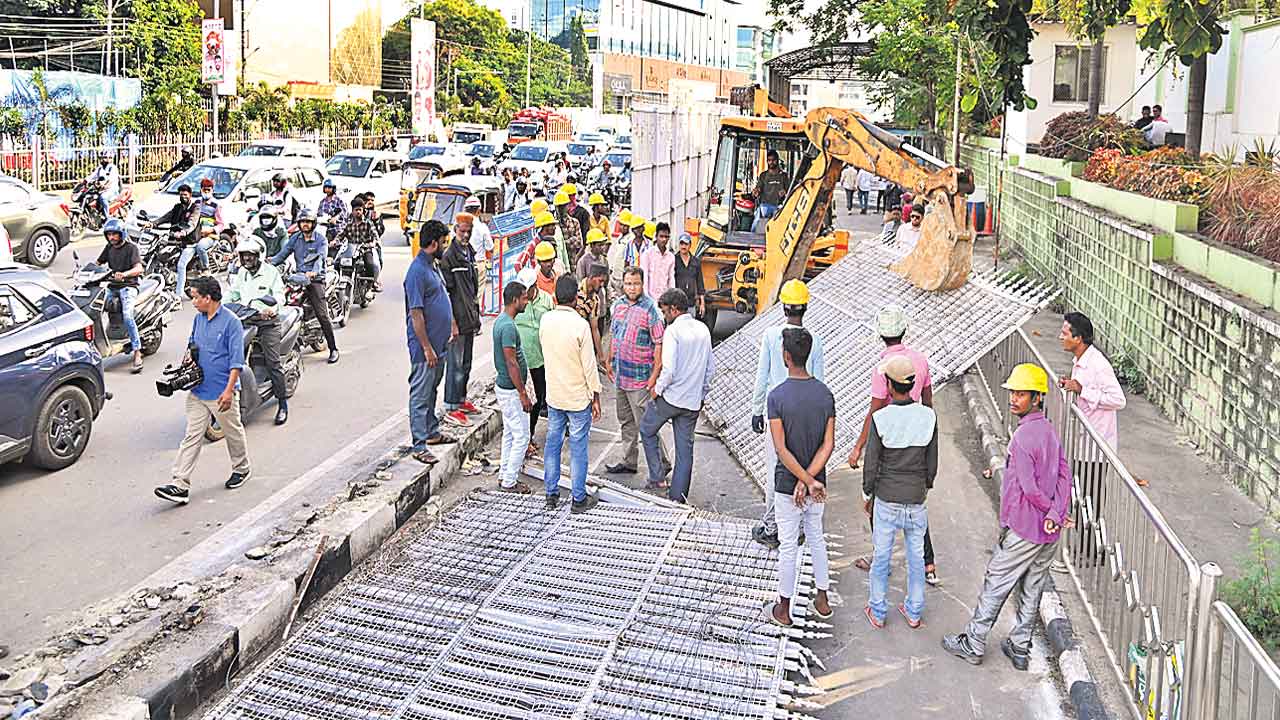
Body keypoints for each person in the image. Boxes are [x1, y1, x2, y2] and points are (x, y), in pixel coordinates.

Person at [942, 363, 1072, 670]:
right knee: (1033, 585)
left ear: (1037, 398)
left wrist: (1051, 511)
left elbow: (1028, 488)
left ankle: (974, 642)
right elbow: (1065, 473)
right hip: (1048, 531)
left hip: (1025, 527)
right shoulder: (1049, 432)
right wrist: (1057, 511)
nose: (1014, 399)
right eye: (1013, 392)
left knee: (997, 582)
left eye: (1021, 394)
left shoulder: (1023, 438)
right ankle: (1019, 646)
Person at [848, 305, 939, 582]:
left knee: (879, 501)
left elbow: (876, 410)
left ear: (880, 334)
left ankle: (880, 559)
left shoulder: (883, 368)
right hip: (917, 436)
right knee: (915, 502)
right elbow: (928, 400)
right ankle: (928, 565)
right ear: (904, 330)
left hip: (891, 440)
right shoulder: (920, 360)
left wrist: (858, 446)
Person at [153, 276, 252, 505]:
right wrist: (187, 358)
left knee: (233, 432)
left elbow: (236, 362)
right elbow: (192, 344)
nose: (193, 301)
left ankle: (242, 468)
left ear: (209, 298)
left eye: (196, 297)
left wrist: (228, 392)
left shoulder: (231, 323)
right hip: (198, 390)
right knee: (192, 436)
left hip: (221, 392)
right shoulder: (198, 319)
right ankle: (180, 484)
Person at [765, 327, 835, 627]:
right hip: (817, 484)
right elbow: (828, 444)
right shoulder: (825, 394)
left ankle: (784, 608)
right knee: (816, 537)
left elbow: (781, 448)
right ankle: (822, 598)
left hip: (787, 485)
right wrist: (811, 480)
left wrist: (802, 481)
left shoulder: (777, 397)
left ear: (785, 356)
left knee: (789, 545)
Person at [862, 355, 938, 629]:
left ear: (890, 387)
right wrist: (924, 487)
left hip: (887, 499)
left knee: (881, 556)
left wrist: (867, 494)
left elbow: (871, 463)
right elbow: (932, 463)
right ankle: (914, 611)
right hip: (916, 499)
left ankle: (878, 611)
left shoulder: (881, 418)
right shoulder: (928, 417)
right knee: (916, 556)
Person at [750, 279, 825, 548]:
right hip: (807, 414)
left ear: (783, 305)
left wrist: (757, 410)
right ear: (805, 307)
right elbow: (819, 380)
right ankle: (801, 526)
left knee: (776, 471)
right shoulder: (813, 339)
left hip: (778, 414)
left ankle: (772, 527)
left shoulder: (772, 336)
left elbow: (762, 377)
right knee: (805, 468)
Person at [1059, 311, 1125, 564]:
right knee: (1081, 495)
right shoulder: (1081, 361)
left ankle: (1095, 552)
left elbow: (1119, 400)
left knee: (1092, 499)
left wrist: (1083, 390)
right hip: (1082, 442)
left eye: (1065, 333)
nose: (1060, 337)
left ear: (1079, 338)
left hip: (1097, 446)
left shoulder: (1098, 364)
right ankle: (1084, 547)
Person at [642, 288, 713, 502]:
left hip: (671, 398)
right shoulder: (703, 329)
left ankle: (657, 477)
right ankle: (678, 498)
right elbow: (710, 369)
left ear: (673, 309)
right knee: (685, 452)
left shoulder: (672, 332)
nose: (664, 316)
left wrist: (657, 390)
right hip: (692, 401)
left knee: (646, 429)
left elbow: (669, 369)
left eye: (665, 312)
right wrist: (701, 395)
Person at [539, 275, 602, 514]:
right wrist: (595, 396)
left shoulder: (546, 320)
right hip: (577, 399)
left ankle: (551, 494)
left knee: (553, 444)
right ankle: (578, 498)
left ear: (555, 296)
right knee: (578, 448)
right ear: (577, 298)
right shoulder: (580, 325)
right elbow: (589, 366)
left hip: (554, 395)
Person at [603, 267, 671, 478]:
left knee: (646, 425)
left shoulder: (651, 310)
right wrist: (610, 358)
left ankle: (662, 462)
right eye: (628, 283)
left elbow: (659, 344)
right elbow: (614, 335)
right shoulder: (618, 306)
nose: (632, 288)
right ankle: (629, 460)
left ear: (642, 284)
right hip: (622, 375)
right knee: (626, 421)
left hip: (641, 378)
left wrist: (654, 375)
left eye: (636, 283)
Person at [404, 220, 458, 466]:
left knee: (432, 389)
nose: (446, 247)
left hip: (440, 344)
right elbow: (416, 314)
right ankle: (419, 444)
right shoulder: (416, 272)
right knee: (421, 393)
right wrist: (426, 347)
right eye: (444, 242)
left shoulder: (433, 266)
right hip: (425, 349)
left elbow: (442, 297)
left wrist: (452, 324)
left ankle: (432, 432)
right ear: (434, 243)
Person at [226, 239, 289, 425]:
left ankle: (282, 404)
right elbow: (233, 294)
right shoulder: (242, 273)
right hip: (246, 319)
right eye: (243, 255)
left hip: (267, 322)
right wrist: (217, 306)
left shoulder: (271, 272)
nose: (246, 259)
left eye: (250, 255)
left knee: (273, 362)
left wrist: (272, 309)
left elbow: (279, 295)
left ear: (258, 255)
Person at [271, 208, 340, 364]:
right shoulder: (295, 238)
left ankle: (333, 348)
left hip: (315, 280)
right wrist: (267, 264)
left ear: (313, 223)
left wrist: (313, 273)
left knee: (322, 314)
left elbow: (320, 258)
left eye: (308, 222)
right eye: (302, 222)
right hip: (297, 278)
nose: (305, 225)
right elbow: (282, 255)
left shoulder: (321, 240)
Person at [440, 212, 484, 427]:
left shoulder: (469, 253)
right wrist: (452, 324)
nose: (465, 235)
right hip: (457, 320)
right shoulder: (450, 257)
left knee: (466, 364)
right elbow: (448, 294)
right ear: (455, 230)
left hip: (469, 318)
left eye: (468, 231)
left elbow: (472, 290)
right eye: (462, 231)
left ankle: (461, 399)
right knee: (455, 366)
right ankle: (451, 406)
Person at [493, 280, 534, 493]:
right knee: (522, 436)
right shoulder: (507, 327)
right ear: (515, 300)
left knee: (510, 432)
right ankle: (510, 480)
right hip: (511, 389)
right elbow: (511, 362)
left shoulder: (502, 321)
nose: (527, 301)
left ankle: (504, 474)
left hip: (507, 388)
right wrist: (522, 392)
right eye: (525, 297)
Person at [97, 219, 146, 373]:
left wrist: (124, 274)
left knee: (127, 315)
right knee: (96, 308)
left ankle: (137, 351)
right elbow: (97, 263)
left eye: (114, 234)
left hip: (128, 286)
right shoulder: (109, 248)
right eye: (109, 234)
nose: (111, 237)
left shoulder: (131, 248)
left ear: (121, 234)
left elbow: (139, 268)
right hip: (112, 286)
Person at [514, 266, 554, 456]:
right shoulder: (517, 302)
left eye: (528, 289)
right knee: (522, 402)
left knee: (538, 400)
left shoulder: (546, 300)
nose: (525, 293)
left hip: (540, 359)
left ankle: (528, 435)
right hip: (521, 360)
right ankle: (523, 439)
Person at [147, 183, 204, 302]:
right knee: (159, 254)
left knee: (181, 265)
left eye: (185, 194)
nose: (183, 196)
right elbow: (165, 217)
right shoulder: (177, 207)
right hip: (174, 241)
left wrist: (183, 233)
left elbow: (192, 223)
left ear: (190, 195)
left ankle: (178, 295)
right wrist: (153, 223)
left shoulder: (195, 208)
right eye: (181, 194)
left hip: (190, 243)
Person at [336, 200, 383, 291]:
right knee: (337, 263)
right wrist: (335, 241)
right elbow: (341, 235)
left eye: (360, 210)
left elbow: (375, 235)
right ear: (352, 211)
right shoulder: (349, 224)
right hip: (350, 249)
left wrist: (373, 243)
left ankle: (370, 286)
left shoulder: (368, 223)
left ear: (363, 211)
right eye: (356, 210)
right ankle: (338, 281)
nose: (358, 212)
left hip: (365, 249)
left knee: (371, 265)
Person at [575, 262, 609, 361]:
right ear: (592, 277)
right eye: (600, 281)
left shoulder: (595, 300)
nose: (602, 285)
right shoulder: (576, 290)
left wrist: (601, 356)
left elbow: (595, 328)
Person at [751, 150, 789, 233]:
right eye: (769, 160)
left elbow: (789, 191)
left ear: (777, 161)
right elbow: (759, 188)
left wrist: (785, 192)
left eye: (773, 160)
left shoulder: (783, 176)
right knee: (757, 219)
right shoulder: (763, 175)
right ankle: (752, 235)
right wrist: (756, 191)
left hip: (779, 206)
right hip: (765, 206)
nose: (771, 162)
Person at [639, 221, 676, 300]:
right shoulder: (647, 254)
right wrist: (646, 298)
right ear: (656, 236)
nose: (664, 239)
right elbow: (644, 277)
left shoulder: (671, 257)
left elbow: (671, 278)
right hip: (650, 298)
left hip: (665, 299)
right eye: (661, 236)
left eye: (666, 237)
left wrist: (672, 297)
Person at [672, 233, 705, 320]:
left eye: (686, 244)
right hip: (677, 303)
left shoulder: (696, 261)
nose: (683, 246)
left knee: (689, 328)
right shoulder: (673, 260)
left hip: (690, 302)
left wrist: (702, 304)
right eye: (681, 243)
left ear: (690, 245)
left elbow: (700, 283)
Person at [553, 190, 584, 269]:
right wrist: (571, 240)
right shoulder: (552, 225)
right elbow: (555, 246)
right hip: (558, 267)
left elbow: (579, 243)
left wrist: (562, 243)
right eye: (559, 206)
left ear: (568, 206)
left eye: (563, 206)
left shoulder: (574, 222)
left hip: (572, 263)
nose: (561, 209)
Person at [87, 150, 121, 218]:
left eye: (105, 158)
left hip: (112, 190)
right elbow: (92, 176)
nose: (103, 160)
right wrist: (84, 181)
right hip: (101, 189)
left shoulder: (113, 168)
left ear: (110, 158)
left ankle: (107, 217)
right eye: (102, 158)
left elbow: (111, 180)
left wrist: (105, 185)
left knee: (103, 197)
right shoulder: (100, 168)